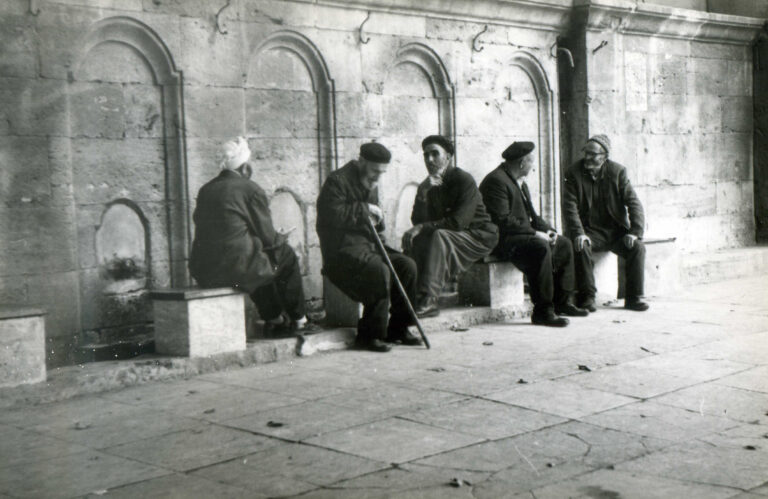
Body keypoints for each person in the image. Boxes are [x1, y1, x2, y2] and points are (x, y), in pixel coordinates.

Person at [189, 136, 314, 336]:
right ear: (245, 167)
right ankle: (300, 320)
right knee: (285, 257)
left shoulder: (206, 189)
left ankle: (274, 319)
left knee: (259, 261)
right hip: (235, 268)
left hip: (204, 270)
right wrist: (281, 238)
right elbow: (269, 239)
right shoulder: (251, 189)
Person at [316, 142, 421, 352]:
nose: (377, 177)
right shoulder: (336, 181)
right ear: (361, 161)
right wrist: (365, 209)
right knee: (378, 270)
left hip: (368, 247)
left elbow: (373, 219)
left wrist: (377, 217)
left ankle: (398, 329)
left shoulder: (369, 181)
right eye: (374, 171)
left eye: (382, 172)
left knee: (407, 266)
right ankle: (369, 336)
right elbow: (333, 215)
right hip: (341, 252)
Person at [479, 142, 587, 327]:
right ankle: (543, 311)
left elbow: (533, 217)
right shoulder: (496, 181)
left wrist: (549, 231)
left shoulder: (519, 182)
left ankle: (563, 302)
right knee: (540, 247)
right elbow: (503, 221)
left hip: (519, 235)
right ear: (522, 163)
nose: (533, 166)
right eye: (531, 162)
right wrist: (536, 234)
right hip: (501, 239)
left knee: (563, 244)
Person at [402, 135, 498, 318]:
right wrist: (422, 194)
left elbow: (458, 223)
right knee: (416, 238)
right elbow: (417, 221)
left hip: (479, 236)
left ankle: (429, 300)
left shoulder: (463, 179)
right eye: (426, 155)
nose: (429, 159)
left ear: (448, 157)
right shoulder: (428, 184)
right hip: (456, 235)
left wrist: (422, 227)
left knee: (440, 236)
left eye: (435, 154)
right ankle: (411, 296)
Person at [563, 134, 649, 312]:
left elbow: (634, 203)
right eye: (586, 153)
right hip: (589, 231)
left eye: (592, 155)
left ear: (604, 156)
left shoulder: (617, 172)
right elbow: (570, 208)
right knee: (580, 245)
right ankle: (587, 297)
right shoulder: (573, 173)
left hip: (615, 231)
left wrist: (634, 232)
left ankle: (634, 297)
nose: (587, 158)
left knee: (638, 247)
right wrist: (579, 233)